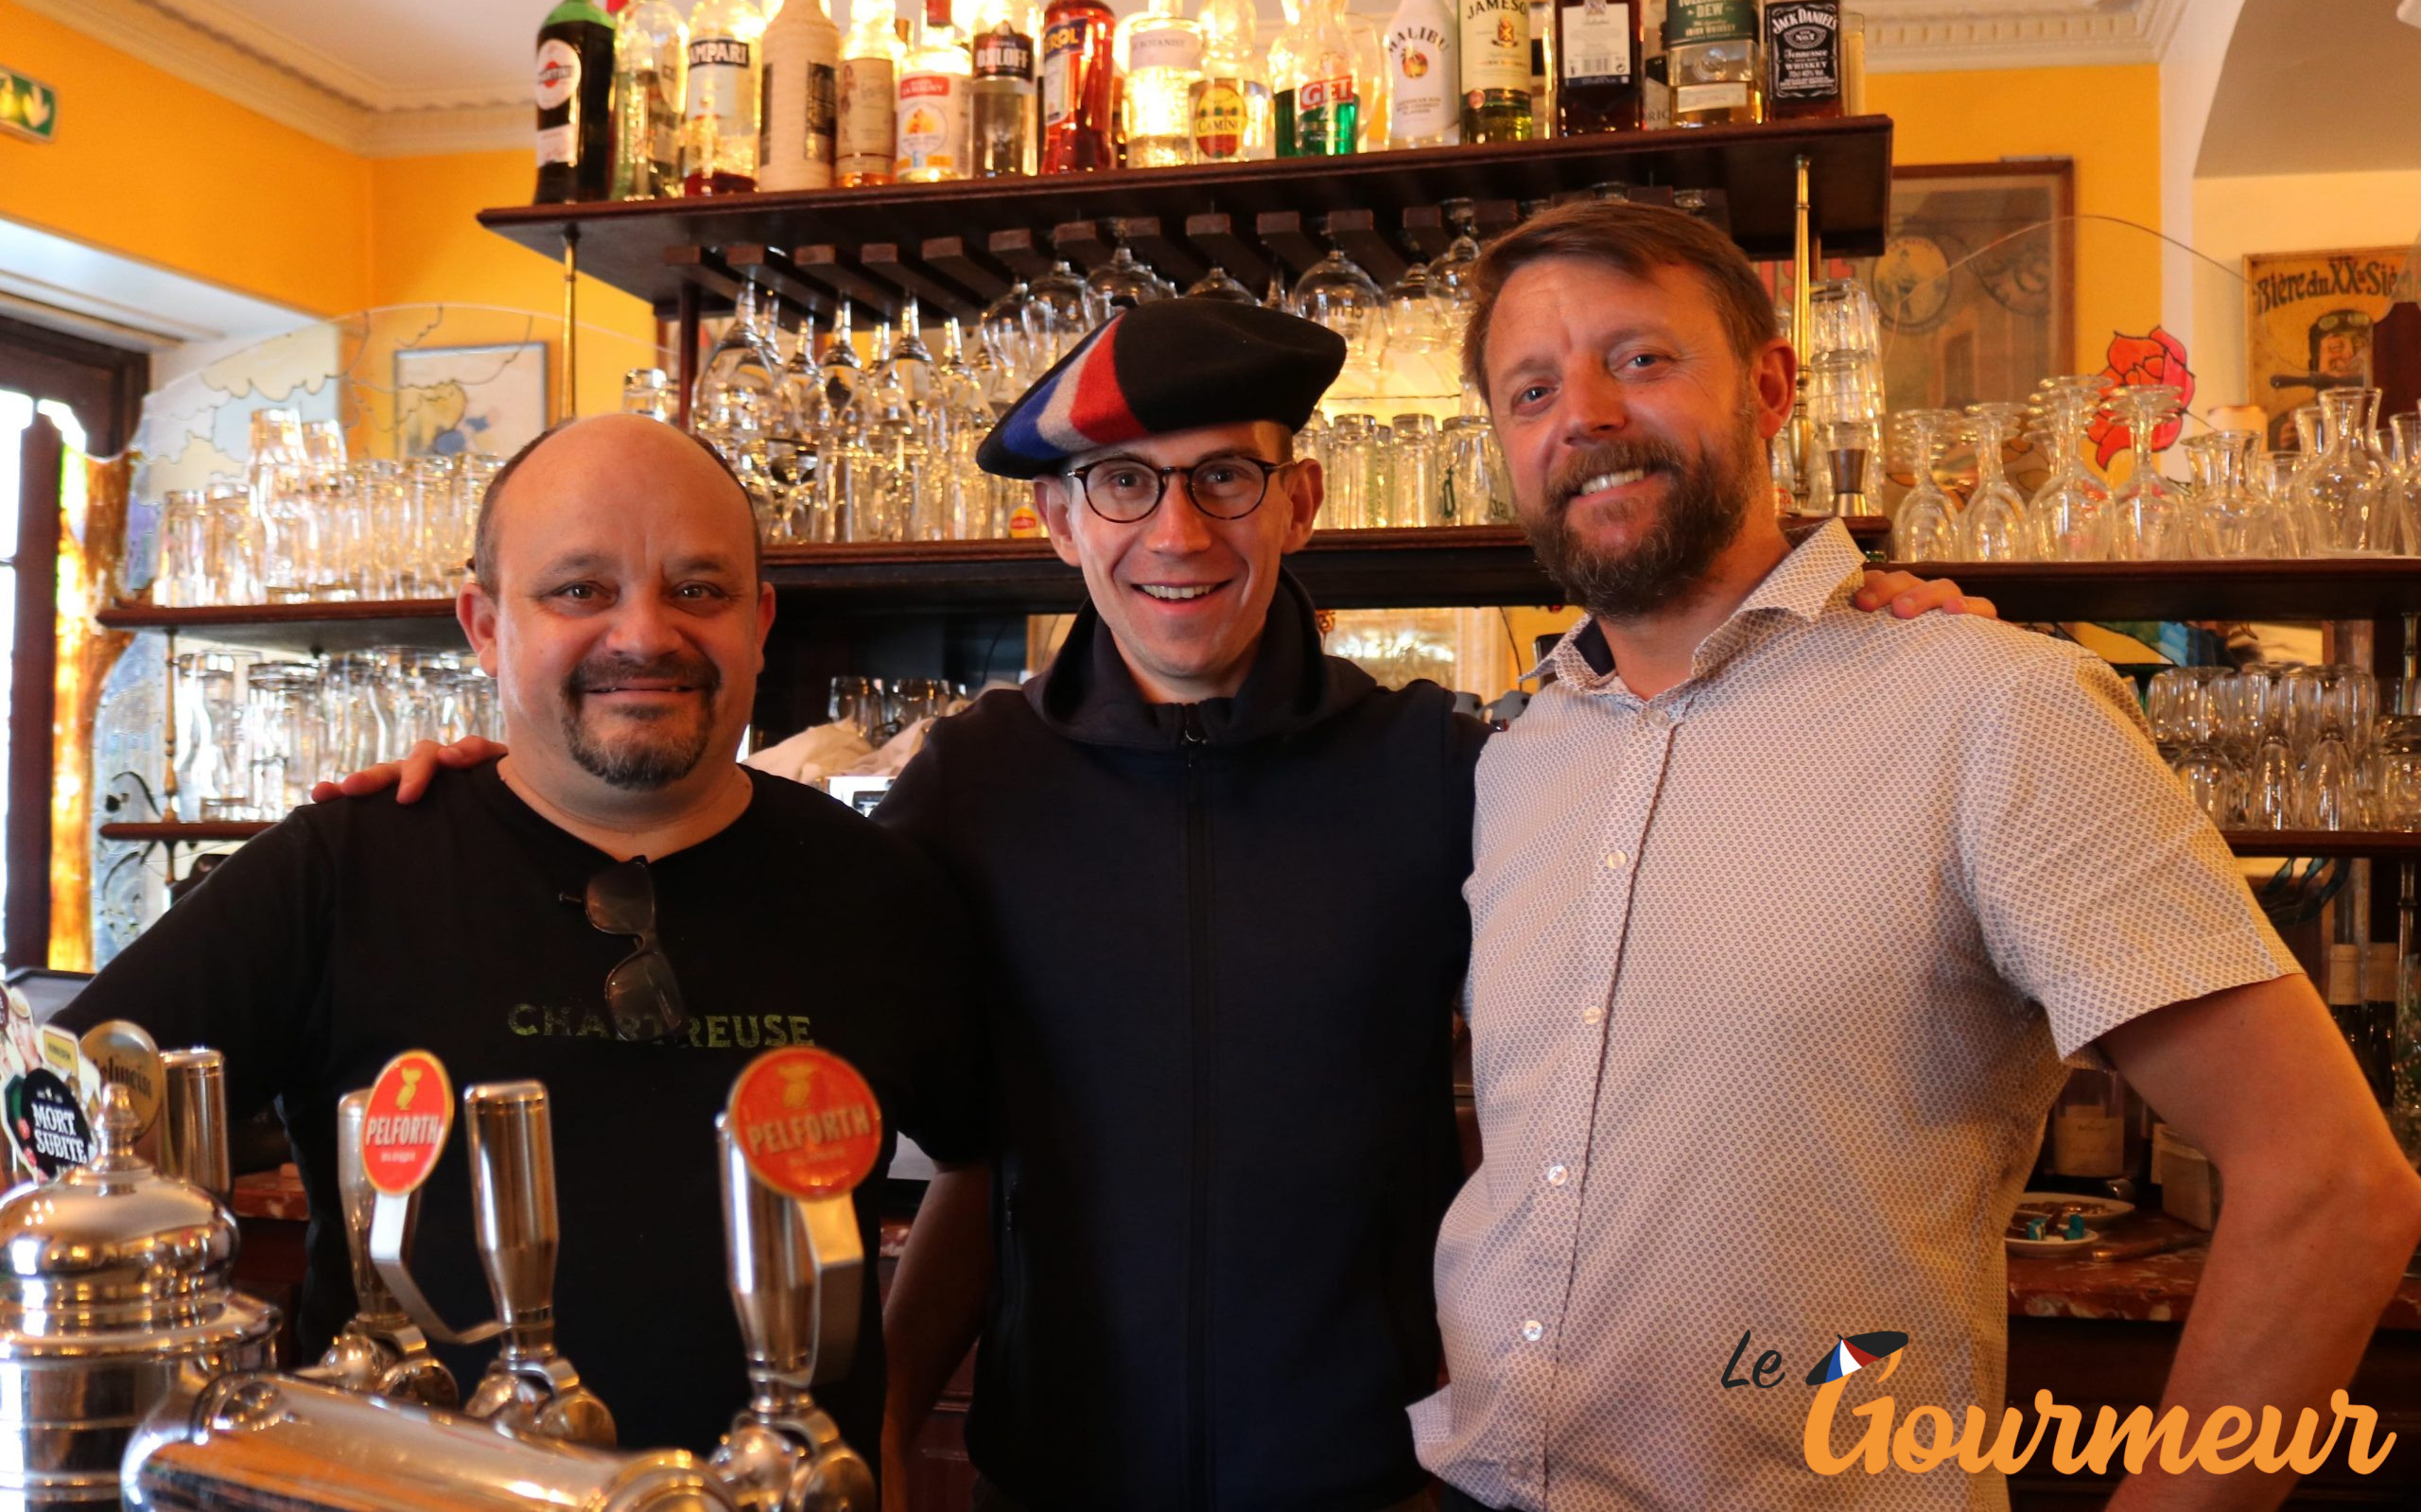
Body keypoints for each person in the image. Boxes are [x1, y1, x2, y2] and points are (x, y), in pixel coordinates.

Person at [353, 306, 1980, 1510]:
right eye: (1121, 485)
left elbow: (1687, 799)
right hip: (1054, 1485)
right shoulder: (963, 788)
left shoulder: (1450, 764)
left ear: (1302, 500)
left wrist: (1868, 644)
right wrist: (498, 793)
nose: (1176, 532)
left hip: (1387, 1486)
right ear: (1058, 522)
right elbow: (749, 943)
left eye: (1223, 479)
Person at [1419, 200, 2421, 1512]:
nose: (1585, 412)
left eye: (1642, 357)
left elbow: (2334, 1186)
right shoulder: (1514, 761)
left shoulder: (1990, 709)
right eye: (1532, 387)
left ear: (1772, 385)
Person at [58, 414, 989, 1460]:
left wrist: (895, 1406)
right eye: (579, 590)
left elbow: (982, 1160)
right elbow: (58, 1129)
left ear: (760, 620)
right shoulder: (342, 867)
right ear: (486, 624)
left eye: (698, 589)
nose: (644, 634)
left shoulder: (882, 888)